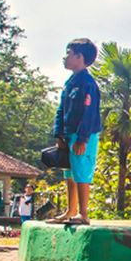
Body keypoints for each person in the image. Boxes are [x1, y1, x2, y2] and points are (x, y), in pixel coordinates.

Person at [46, 39, 101, 226]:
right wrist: (59, 135)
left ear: (80, 57)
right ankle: (71, 210)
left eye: (69, 53)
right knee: (69, 173)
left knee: (81, 172)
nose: (65, 57)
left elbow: (89, 113)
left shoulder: (88, 84)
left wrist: (83, 139)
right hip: (68, 134)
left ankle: (84, 214)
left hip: (83, 136)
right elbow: (61, 110)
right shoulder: (70, 83)